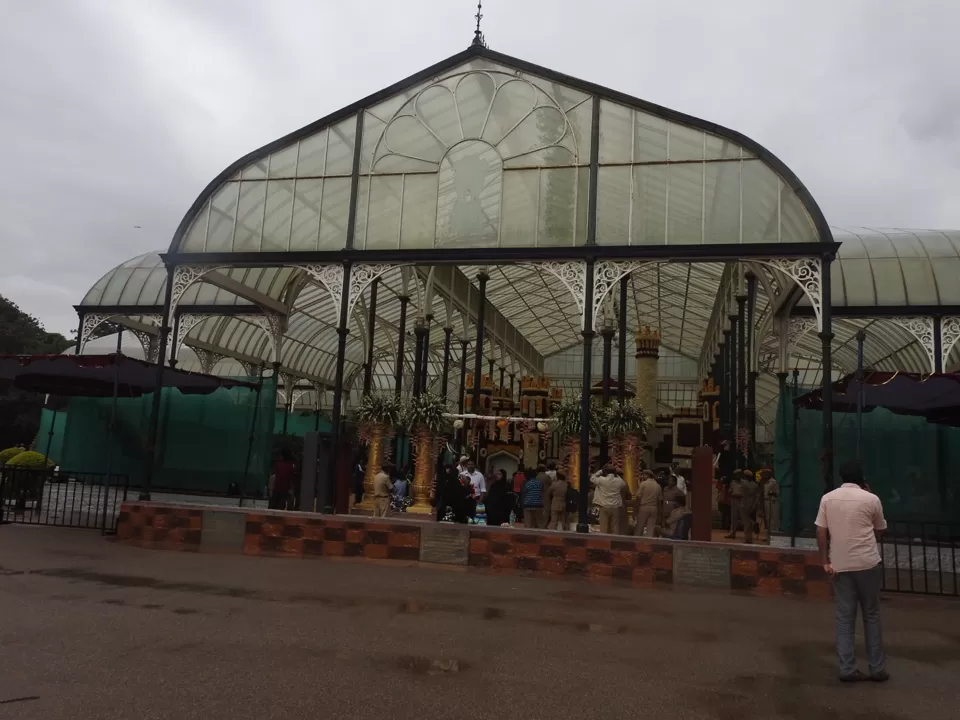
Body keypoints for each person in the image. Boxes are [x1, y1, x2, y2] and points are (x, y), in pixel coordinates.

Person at [815, 461, 889, 683]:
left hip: (839, 564)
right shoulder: (871, 499)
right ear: (861, 478)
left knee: (845, 617)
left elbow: (820, 532)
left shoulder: (827, 499)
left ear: (841, 477)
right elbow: (880, 530)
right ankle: (877, 669)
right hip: (867, 563)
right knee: (872, 615)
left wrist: (824, 561)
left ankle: (847, 668)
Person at [590, 465, 628, 535]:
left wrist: (600, 471)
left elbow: (592, 478)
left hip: (604, 506)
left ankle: (604, 543)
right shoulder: (619, 481)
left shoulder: (602, 480)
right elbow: (623, 484)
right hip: (615, 507)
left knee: (604, 528)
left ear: (605, 472)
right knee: (615, 528)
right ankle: (615, 542)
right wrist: (616, 474)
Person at [634, 469, 662, 537]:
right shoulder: (658, 486)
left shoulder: (643, 484)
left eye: (644, 475)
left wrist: (635, 510)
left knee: (639, 527)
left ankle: (637, 543)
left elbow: (638, 498)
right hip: (654, 508)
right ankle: (649, 543)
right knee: (651, 529)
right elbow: (659, 501)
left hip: (644, 507)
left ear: (648, 475)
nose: (643, 476)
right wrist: (659, 512)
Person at [738, 470, 761, 544]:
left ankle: (747, 538)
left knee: (746, 522)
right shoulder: (755, 485)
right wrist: (754, 505)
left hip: (744, 504)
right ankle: (749, 538)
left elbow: (741, 494)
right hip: (752, 505)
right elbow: (757, 496)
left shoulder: (743, 484)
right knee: (750, 522)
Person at [725, 470, 745, 539]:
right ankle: (732, 532)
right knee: (734, 517)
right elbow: (730, 491)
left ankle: (747, 534)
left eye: (739, 475)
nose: (737, 476)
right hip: (734, 500)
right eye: (736, 475)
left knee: (744, 517)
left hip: (742, 501)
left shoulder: (744, 482)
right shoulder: (733, 482)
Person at [760, 468, 780, 534]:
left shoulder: (773, 482)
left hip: (773, 502)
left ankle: (774, 533)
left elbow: (777, 493)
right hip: (766, 501)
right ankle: (769, 534)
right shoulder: (765, 483)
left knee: (774, 519)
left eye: (764, 474)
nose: (762, 476)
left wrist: (771, 493)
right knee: (768, 518)